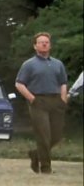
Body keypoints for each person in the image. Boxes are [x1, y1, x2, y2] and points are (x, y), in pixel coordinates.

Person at [15, 32, 68, 174]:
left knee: (56, 136)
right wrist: (32, 99)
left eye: (46, 42)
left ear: (50, 45)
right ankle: (46, 168)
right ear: (35, 46)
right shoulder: (29, 64)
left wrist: (63, 99)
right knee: (44, 135)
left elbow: (63, 83)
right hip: (39, 101)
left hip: (56, 100)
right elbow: (19, 84)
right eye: (41, 42)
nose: (44, 44)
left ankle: (35, 154)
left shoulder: (58, 64)